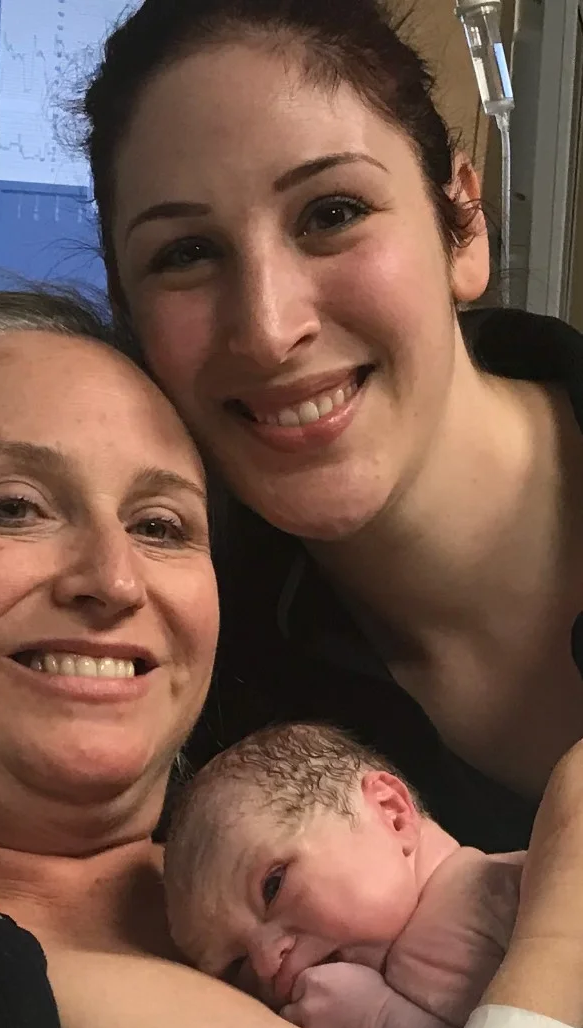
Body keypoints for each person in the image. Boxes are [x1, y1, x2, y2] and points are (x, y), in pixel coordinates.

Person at [0, 287, 583, 1028]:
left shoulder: (318, 821)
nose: (113, 579)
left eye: (160, 526)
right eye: (12, 508)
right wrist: (558, 944)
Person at [80, 0, 583, 852]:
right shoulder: (192, 686)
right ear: (129, 314)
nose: (268, 329)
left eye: (332, 213)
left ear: (463, 225)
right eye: (186, 254)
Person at [163, 722, 525, 1028]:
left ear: (392, 813)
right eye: (236, 965)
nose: (265, 964)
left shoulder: (509, 888)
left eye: (273, 887)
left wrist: (379, 1026)